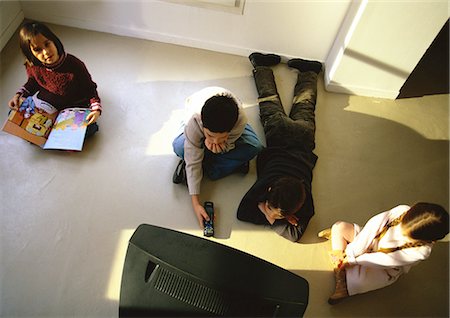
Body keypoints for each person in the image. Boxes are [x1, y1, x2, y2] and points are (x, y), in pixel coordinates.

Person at [236, 52, 322, 243]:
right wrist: (271, 215)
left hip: (299, 138)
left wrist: (264, 210)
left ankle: (310, 71)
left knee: (305, 104)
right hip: (280, 136)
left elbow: (243, 213)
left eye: (275, 215)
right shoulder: (304, 203)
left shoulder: (269, 190)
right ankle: (262, 65)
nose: (272, 217)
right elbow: (294, 235)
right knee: (269, 99)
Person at [318, 202, 449, 304]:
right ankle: (342, 261)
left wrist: (353, 260)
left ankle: (342, 279)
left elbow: (385, 260)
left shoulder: (421, 252)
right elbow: (372, 227)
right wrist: (352, 252)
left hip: (382, 268)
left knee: (358, 284)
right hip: (368, 242)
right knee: (339, 226)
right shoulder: (402, 210)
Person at [172, 86, 263, 229]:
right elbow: (193, 153)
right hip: (195, 119)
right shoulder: (195, 119)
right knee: (179, 146)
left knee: (255, 147)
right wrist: (196, 204)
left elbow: (230, 143)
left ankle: (201, 168)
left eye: (222, 137)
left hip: (228, 123)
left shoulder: (239, 121)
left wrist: (224, 146)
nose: (215, 141)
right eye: (210, 136)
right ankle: (224, 165)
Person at [8, 21, 102, 138]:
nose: (46, 52)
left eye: (47, 44)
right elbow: (33, 82)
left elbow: (90, 89)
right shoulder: (33, 65)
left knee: (89, 129)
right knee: (14, 114)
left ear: (54, 41)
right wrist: (19, 95)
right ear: (30, 53)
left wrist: (96, 109)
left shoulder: (75, 65)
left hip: (72, 105)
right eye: (37, 50)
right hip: (49, 103)